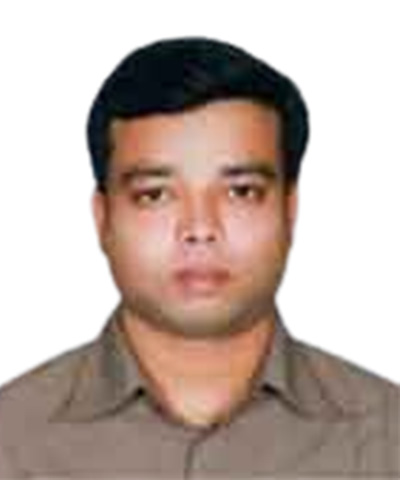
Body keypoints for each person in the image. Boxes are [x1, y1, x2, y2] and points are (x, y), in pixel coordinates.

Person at [0, 37, 398, 479]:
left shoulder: (387, 436)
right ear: (103, 218)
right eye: (155, 195)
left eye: (240, 192)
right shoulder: (11, 438)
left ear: (290, 210)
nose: (200, 228)